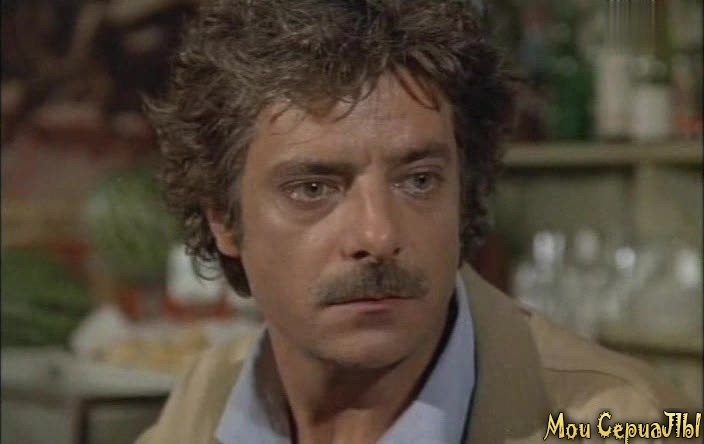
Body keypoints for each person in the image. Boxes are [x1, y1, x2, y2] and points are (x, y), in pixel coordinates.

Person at [138, 1, 693, 443]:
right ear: (223, 219)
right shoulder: (209, 396)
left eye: (419, 181)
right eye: (313, 189)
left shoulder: (625, 422)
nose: (379, 235)